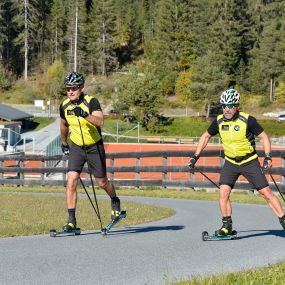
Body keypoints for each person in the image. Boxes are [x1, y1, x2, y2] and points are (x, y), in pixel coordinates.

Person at [188, 89, 285, 235]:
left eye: (230, 105)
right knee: (223, 193)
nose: (226, 109)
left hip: (249, 161)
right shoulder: (219, 121)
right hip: (231, 162)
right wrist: (195, 156)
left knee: (266, 193)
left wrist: (268, 156)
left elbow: (264, 137)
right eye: (224, 105)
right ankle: (226, 226)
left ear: (237, 106)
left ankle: (283, 220)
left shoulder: (247, 120)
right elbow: (205, 136)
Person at [59, 71, 121, 232]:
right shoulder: (64, 105)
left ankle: (114, 200)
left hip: (94, 147)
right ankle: (71, 221)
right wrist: (64, 142)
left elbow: (100, 121)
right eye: (68, 88)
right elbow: (64, 124)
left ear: (81, 88)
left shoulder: (91, 102)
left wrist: (85, 114)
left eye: (74, 88)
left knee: (102, 182)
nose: (70, 91)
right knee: (71, 179)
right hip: (77, 147)